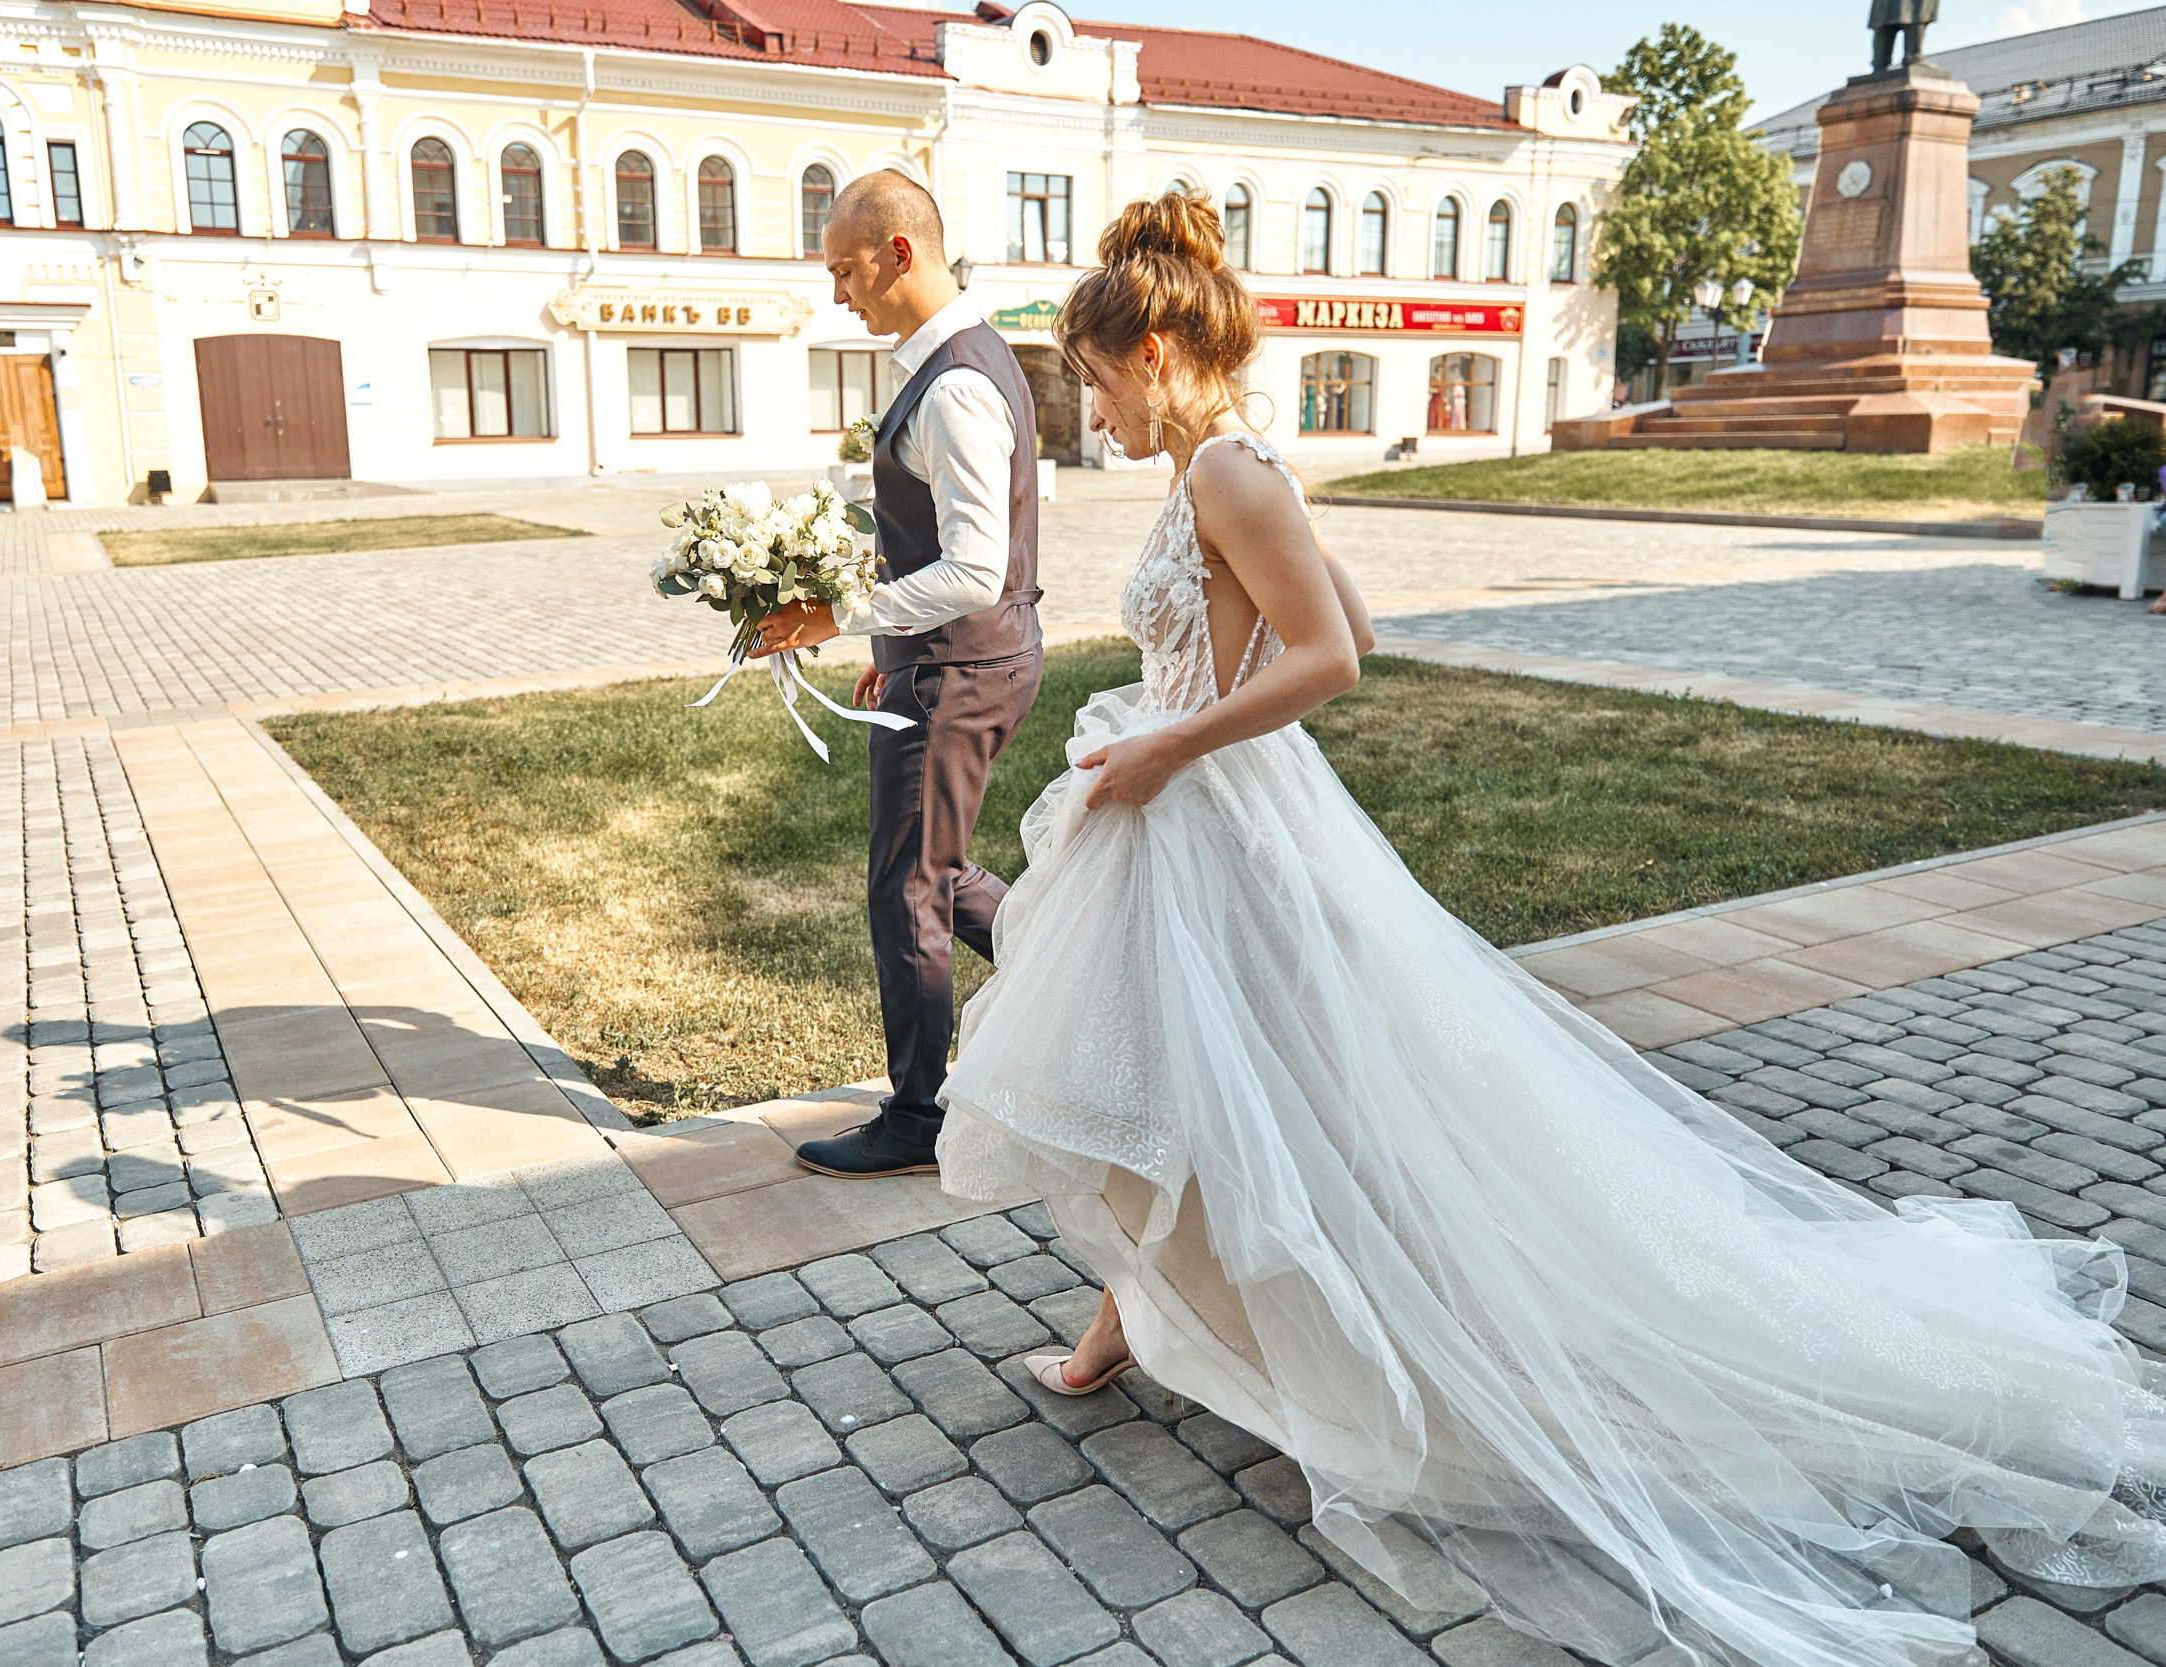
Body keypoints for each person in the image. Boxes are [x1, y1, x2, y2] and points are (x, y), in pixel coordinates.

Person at [935, 188, 2166, 1667]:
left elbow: (1331, 661)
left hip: (1206, 817)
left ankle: (1284, 1339)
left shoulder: (1226, 471)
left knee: (1253, 1095)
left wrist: (1166, 747)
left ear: (1150, 348)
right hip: (1199, 823)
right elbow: (1357, 622)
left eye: (1091, 377)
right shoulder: (1226, 462)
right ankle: (1118, 1328)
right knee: (1196, 1088)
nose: (1087, 409)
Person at [751, 169, 1044, 1179]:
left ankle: (919, 1116)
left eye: (845, 269)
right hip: (948, 663)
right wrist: (891, 648)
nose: (840, 292)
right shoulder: (962, 358)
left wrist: (837, 615)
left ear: (900, 253)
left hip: (962, 667)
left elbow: (973, 567)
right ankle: (1078, 976)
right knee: (938, 867)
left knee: (907, 886)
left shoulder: (957, 382)